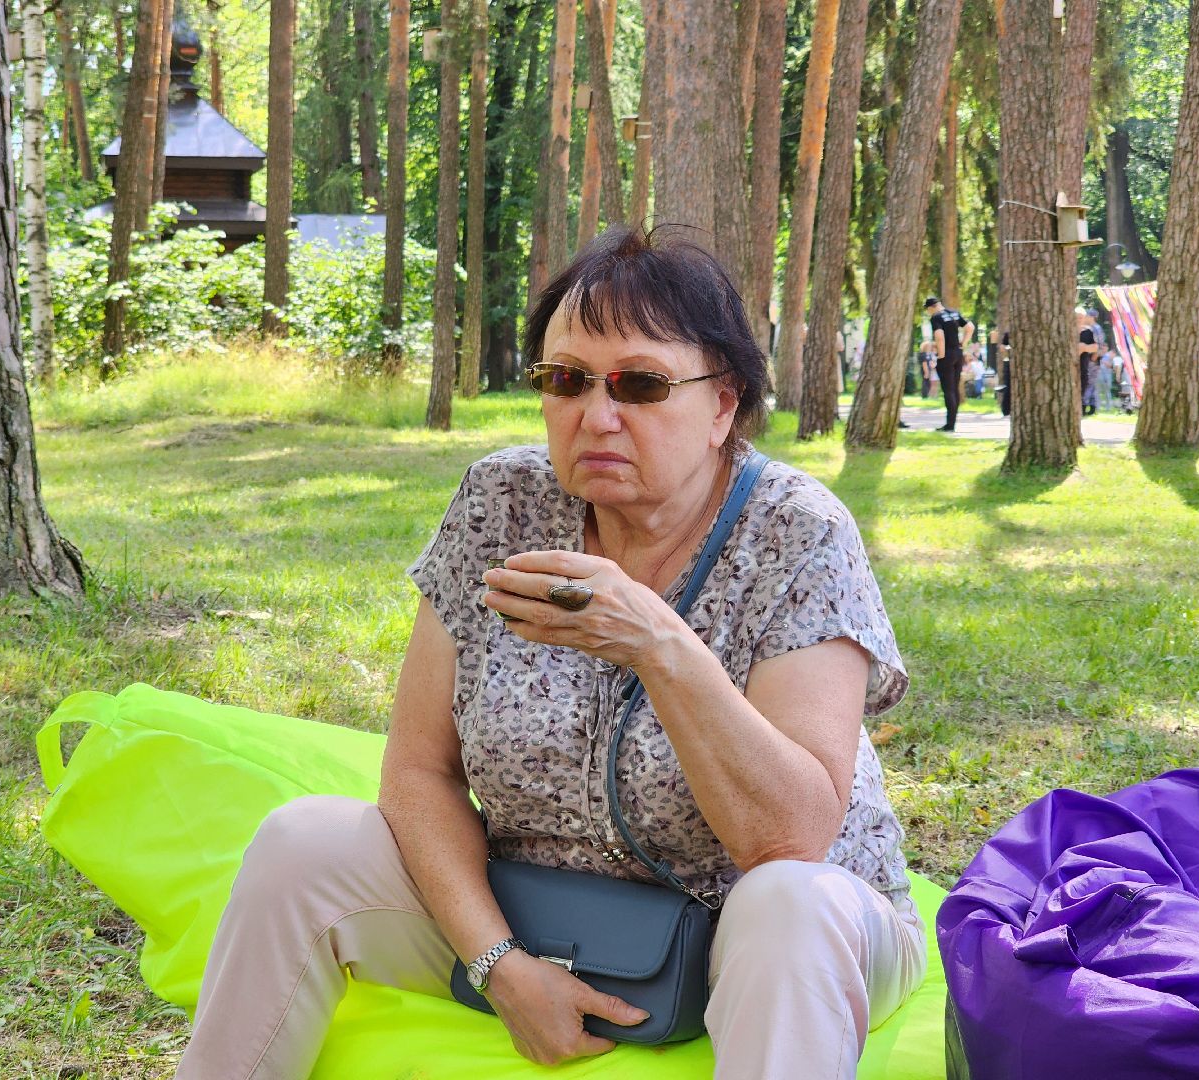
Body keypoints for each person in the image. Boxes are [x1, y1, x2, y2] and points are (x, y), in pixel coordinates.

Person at [175, 225, 927, 1080]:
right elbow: (418, 774)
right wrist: (499, 966)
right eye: (566, 380)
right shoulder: (502, 502)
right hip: (542, 907)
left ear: (724, 404)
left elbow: (791, 835)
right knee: (300, 846)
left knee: (789, 906)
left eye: (640, 386)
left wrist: (657, 643)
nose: (595, 417)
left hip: (764, 926)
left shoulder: (800, 532)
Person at [925, 296, 973, 432]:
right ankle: (952, 422)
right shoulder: (954, 313)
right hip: (958, 354)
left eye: (928, 310)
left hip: (946, 355)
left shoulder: (936, 317)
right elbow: (970, 327)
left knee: (948, 390)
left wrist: (940, 355)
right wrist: (963, 343)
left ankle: (949, 425)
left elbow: (939, 336)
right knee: (955, 388)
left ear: (931, 307)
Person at [1077, 308, 1100, 417]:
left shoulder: (1087, 332)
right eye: (1076, 317)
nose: (1078, 320)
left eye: (1081, 317)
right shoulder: (1065, 330)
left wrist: (1084, 347)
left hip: (1083, 369)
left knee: (1082, 390)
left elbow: (1095, 347)